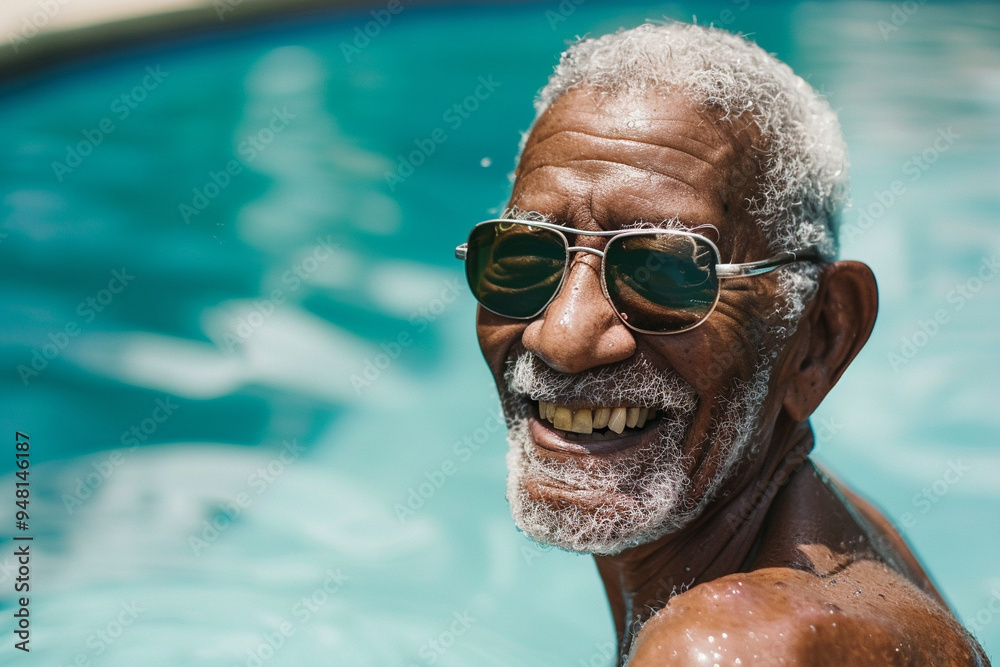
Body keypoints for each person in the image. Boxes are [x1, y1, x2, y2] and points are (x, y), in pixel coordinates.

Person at [455, 22, 989, 666]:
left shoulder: (726, 647)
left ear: (820, 337)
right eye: (524, 255)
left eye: (666, 270)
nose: (563, 338)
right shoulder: (828, 533)